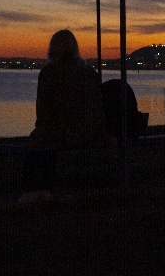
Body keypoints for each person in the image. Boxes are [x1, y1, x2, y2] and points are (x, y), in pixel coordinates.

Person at [19, 29, 114, 203]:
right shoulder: (89, 72)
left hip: (61, 132)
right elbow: (97, 106)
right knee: (44, 140)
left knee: (36, 142)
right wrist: (99, 130)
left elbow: (43, 108)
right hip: (87, 131)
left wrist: (42, 129)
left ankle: (34, 189)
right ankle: (43, 187)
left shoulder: (48, 73)